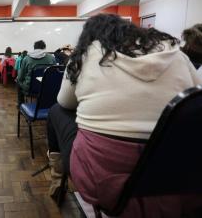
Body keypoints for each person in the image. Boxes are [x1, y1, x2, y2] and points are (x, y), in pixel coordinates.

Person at [46, 14, 202, 216]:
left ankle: (57, 176)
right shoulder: (176, 54)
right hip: (178, 180)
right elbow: (194, 100)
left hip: (102, 182)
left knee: (56, 110)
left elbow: (65, 101)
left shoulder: (85, 55)